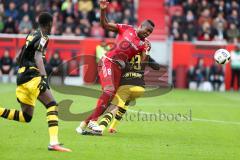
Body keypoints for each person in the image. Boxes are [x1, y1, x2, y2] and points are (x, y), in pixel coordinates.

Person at [0, 12, 71, 152]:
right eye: (53, 23)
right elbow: (38, 57)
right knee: (52, 105)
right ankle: (54, 142)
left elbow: (17, 57)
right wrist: (44, 78)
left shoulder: (31, 34)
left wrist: (24, 70)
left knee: (26, 116)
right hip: (33, 76)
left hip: (22, 78)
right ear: (49, 23)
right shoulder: (44, 37)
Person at [80, 0, 154, 131]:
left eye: (150, 33)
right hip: (108, 61)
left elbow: (142, 64)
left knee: (111, 100)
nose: (148, 33)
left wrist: (147, 52)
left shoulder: (143, 44)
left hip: (119, 69)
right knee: (108, 91)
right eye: (147, 30)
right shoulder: (126, 28)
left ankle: (82, 125)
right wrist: (103, 10)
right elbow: (105, 25)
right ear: (141, 25)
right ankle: (93, 122)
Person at [77, 52, 161, 135]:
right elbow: (157, 67)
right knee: (125, 103)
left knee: (112, 107)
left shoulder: (126, 55)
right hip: (140, 88)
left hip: (125, 86)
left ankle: (100, 128)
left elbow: (119, 67)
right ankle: (112, 127)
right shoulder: (145, 56)